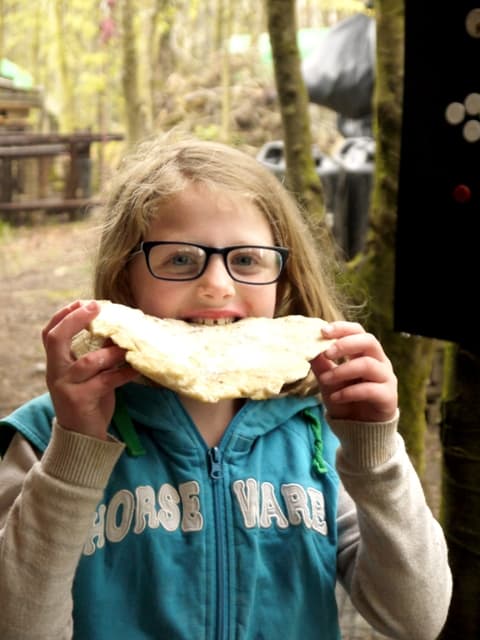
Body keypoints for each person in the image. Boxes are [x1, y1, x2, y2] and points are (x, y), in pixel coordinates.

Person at [0, 134, 451, 640]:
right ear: (124, 281)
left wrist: (377, 453)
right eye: (178, 260)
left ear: (284, 281)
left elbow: (417, 618)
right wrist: (74, 450)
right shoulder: (46, 437)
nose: (217, 284)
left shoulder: (321, 435)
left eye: (247, 260)